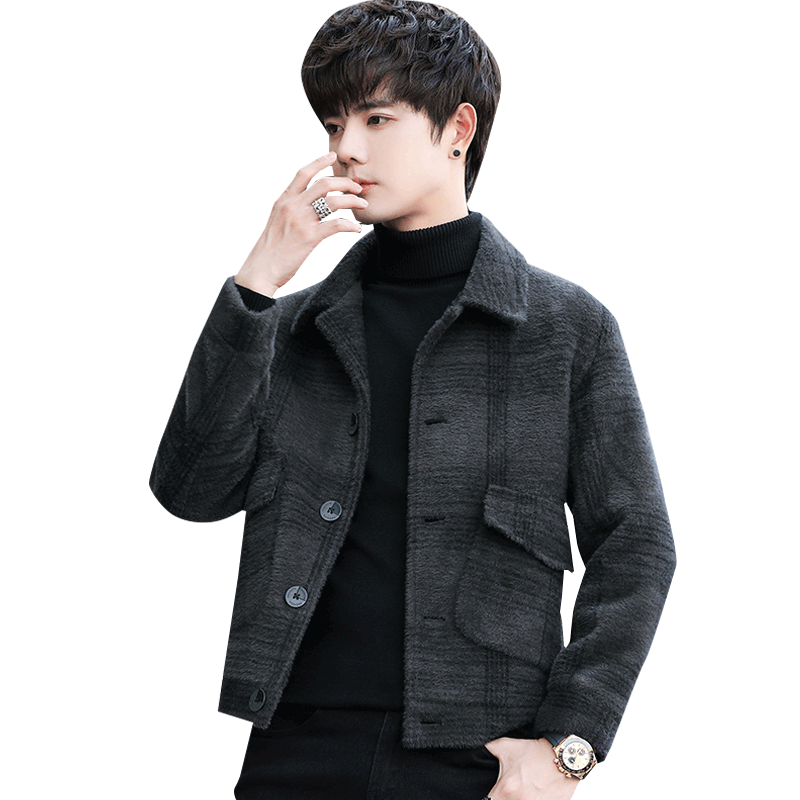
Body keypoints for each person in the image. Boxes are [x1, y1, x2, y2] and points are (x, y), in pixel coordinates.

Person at [148, 1, 676, 798]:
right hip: (295, 745)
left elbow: (636, 544)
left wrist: (569, 745)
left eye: (376, 118)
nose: (346, 149)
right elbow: (190, 492)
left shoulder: (564, 328)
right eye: (334, 125)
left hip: (475, 758)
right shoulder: (290, 329)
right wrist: (257, 284)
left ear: (458, 128)